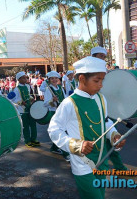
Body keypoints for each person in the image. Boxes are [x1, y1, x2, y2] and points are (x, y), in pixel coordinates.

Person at [48, 56, 126, 199]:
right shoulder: (69, 103)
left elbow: (105, 121)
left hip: (102, 160)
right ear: (82, 79)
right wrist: (76, 145)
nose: (101, 85)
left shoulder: (101, 99)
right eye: (97, 80)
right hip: (83, 165)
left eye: (102, 80)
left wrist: (113, 134)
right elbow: (53, 129)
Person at [91, 46, 127, 171]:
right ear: (93, 57)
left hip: (105, 110)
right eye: (100, 56)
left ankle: (119, 167)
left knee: (112, 140)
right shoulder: (88, 72)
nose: (103, 59)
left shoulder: (106, 72)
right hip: (91, 111)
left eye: (104, 56)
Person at [44, 71, 70, 161]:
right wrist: (52, 100)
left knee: (62, 131)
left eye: (56, 78)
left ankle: (54, 148)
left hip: (62, 112)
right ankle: (66, 153)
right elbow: (45, 104)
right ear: (49, 80)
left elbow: (65, 97)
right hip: (54, 113)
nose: (54, 80)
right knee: (63, 132)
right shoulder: (48, 90)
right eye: (52, 78)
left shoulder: (60, 87)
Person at [12, 71, 40, 147]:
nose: (25, 79)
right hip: (22, 110)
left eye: (26, 77)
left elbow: (28, 95)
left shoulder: (27, 86)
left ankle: (34, 139)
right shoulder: (16, 89)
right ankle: (27, 141)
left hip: (30, 107)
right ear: (19, 79)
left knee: (33, 124)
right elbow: (14, 100)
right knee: (26, 126)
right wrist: (21, 102)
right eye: (23, 78)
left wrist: (31, 99)